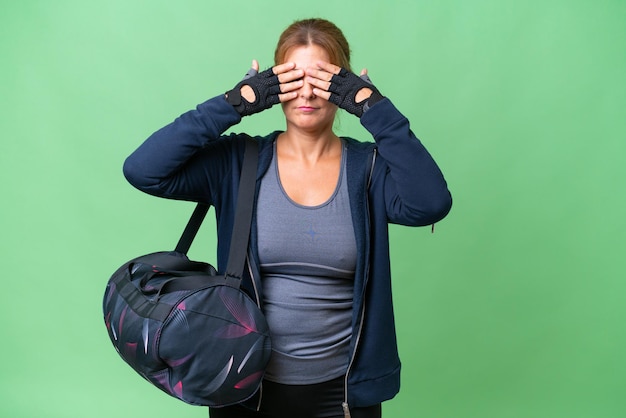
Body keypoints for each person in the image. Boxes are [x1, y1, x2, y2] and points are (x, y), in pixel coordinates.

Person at [123, 18, 452, 418]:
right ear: (272, 85)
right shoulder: (237, 163)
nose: (308, 92)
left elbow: (430, 203)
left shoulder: (369, 169)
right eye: (293, 78)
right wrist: (234, 103)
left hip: (344, 396)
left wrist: (375, 109)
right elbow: (144, 170)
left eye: (323, 78)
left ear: (346, 85)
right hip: (243, 389)